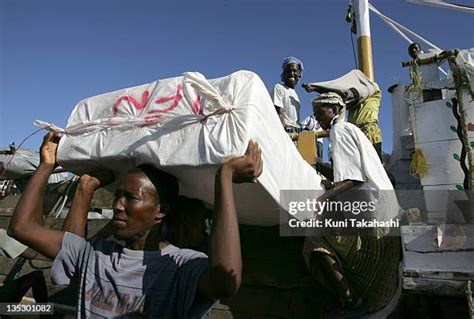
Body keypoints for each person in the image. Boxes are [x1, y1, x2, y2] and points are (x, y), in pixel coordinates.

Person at [8, 131, 263, 318]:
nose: (117, 205)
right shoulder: (91, 254)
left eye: (130, 198)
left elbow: (225, 281)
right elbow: (21, 227)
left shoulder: (182, 267)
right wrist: (46, 164)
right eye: (117, 195)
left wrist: (225, 177)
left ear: (160, 211)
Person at [304, 93, 402, 317]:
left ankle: (348, 298)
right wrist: (318, 166)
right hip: (383, 210)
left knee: (314, 238)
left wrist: (323, 197)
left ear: (335, 110)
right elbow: (350, 174)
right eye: (316, 114)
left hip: (374, 216)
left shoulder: (339, 131)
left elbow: (354, 179)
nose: (318, 119)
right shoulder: (349, 130)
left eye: (321, 113)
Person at [271, 57, 304, 133]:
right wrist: (284, 132)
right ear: (284, 74)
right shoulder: (279, 88)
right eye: (289, 71)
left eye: (294, 71)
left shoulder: (295, 95)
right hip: (286, 132)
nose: (291, 73)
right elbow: (279, 113)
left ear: (299, 75)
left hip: (296, 134)